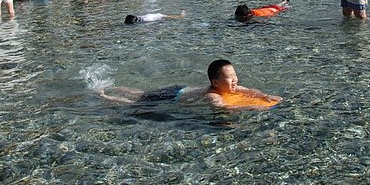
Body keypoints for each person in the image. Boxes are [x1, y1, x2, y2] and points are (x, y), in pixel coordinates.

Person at [96, 59, 282, 110]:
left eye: (234, 75)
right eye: (229, 77)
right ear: (215, 83)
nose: (234, 80)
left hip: (181, 88)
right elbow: (226, 108)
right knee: (136, 102)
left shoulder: (230, 87)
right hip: (172, 97)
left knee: (141, 93)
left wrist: (264, 97)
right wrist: (253, 108)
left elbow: (250, 91)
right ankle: (105, 95)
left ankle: (112, 86)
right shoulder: (213, 96)